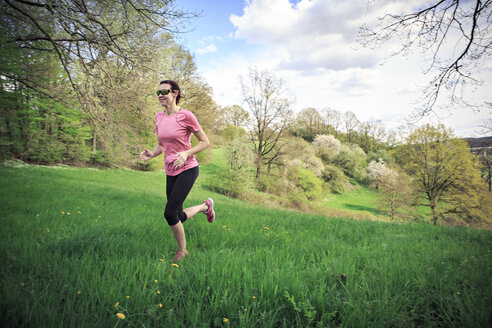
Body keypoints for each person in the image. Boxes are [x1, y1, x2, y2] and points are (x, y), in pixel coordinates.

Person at [139, 80, 215, 262]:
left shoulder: (186, 116)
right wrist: (151, 154)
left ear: (175, 93)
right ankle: (206, 206)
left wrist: (186, 153)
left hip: (188, 169)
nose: (160, 95)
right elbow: (161, 145)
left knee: (169, 213)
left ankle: (183, 251)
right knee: (178, 215)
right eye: (158, 92)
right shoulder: (159, 117)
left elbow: (205, 142)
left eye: (164, 91)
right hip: (170, 170)